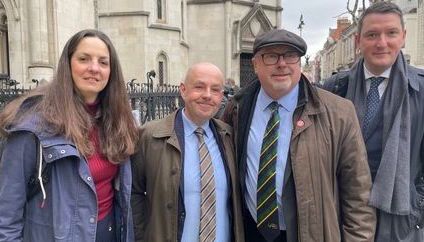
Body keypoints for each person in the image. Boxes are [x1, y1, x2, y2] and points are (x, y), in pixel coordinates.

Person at [222, 28, 376, 242]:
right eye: (271, 56)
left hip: (308, 234)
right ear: (255, 64)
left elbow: (358, 194)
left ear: (299, 63)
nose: (282, 63)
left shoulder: (338, 112)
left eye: (291, 55)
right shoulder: (237, 109)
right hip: (250, 232)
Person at [0, 29, 139, 241]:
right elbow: (5, 214)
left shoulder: (117, 120)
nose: (94, 68)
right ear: (68, 64)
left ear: (111, 71)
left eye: (103, 62)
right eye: (84, 59)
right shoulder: (32, 125)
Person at [323, 2, 424, 241]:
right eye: (372, 35)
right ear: (358, 41)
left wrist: (417, 205)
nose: (381, 43)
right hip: (344, 216)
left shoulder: (421, 89)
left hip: (401, 220)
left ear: (403, 36)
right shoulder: (336, 87)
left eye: (391, 33)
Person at [131, 62, 244, 242]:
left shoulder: (229, 137)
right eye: (199, 87)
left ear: (221, 96)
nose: (207, 95)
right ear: (183, 90)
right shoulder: (149, 136)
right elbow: (133, 192)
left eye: (215, 90)